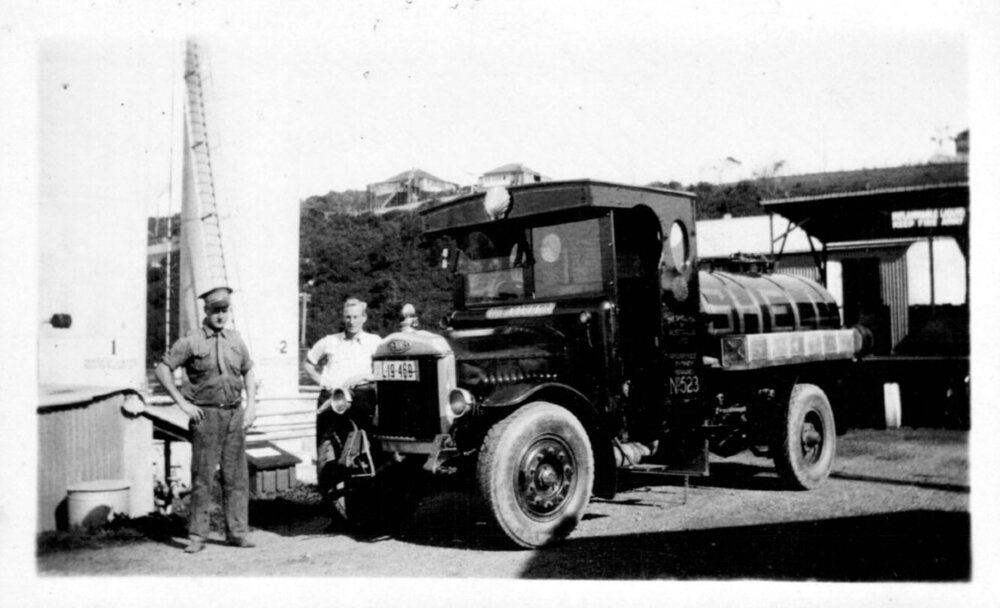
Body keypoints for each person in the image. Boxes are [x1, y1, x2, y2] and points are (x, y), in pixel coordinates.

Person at [154, 286, 257, 554]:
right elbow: (162, 368)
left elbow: (248, 371)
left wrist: (252, 406)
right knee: (203, 478)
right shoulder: (191, 341)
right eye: (215, 310)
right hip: (205, 416)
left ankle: (237, 532)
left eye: (225, 310)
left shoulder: (235, 339)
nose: (221, 315)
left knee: (236, 478)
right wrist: (182, 403)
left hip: (235, 414)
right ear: (206, 311)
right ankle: (197, 536)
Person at [304, 297, 382, 406]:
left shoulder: (375, 341)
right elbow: (308, 364)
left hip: (361, 397)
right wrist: (324, 382)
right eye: (348, 317)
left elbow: (384, 372)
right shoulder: (330, 340)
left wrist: (364, 376)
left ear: (364, 318)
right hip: (331, 397)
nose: (351, 321)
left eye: (356, 317)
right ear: (343, 318)